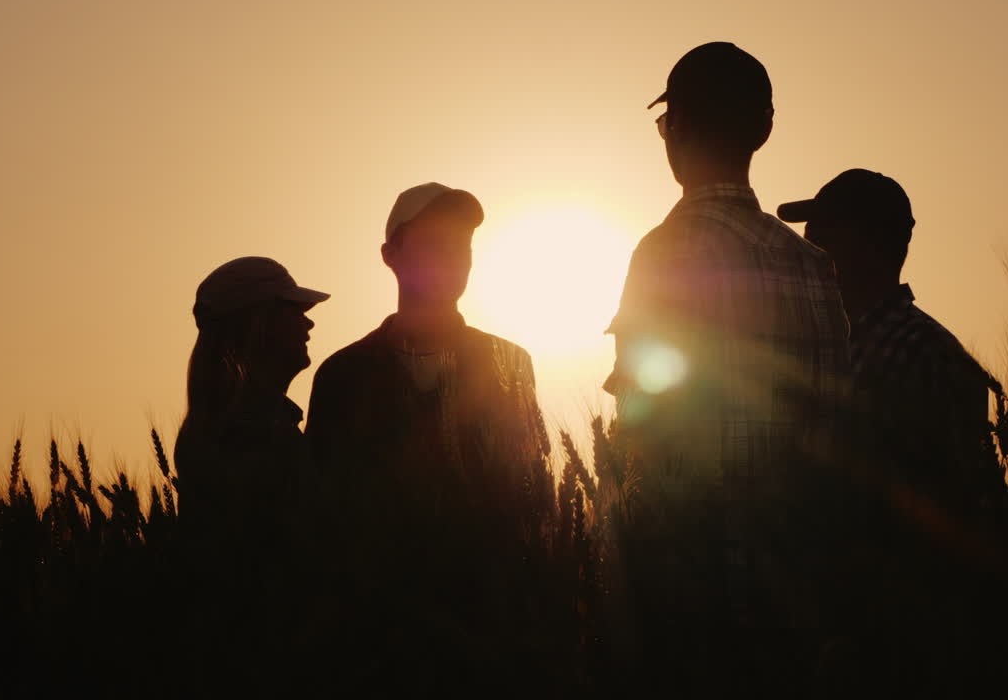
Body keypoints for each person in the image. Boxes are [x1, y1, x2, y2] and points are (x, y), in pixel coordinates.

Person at [602, 42, 851, 692]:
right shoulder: (816, 268)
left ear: (675, 125)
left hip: (697, 610)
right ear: (764, 130)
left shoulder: (665, 254)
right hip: (798, 606)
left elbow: (643, 434)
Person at [305, 183, 554, 692]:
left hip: (491, 642)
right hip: (379, 651)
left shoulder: (510, 364)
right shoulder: (343, 376)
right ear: (390, 255)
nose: (454, 259)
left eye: (462, 246)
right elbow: (325, 519)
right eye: (435, 243)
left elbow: (536, 496)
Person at [779, 169, 999, 695]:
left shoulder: (917, 352)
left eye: (822, 232)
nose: (809, 246)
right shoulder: (842, 347)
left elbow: (936, 509)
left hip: (890, 645)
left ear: (858, 243)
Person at [778, 169, 995, 502]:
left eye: (819, 236)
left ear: (866, 244)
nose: (807, 250)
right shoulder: (834, 344)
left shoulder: (925, 353)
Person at [173, 255, 328, 693]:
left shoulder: (240, 424)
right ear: (259, 324)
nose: (308, 325)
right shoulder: (249, 435)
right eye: (295, 312)